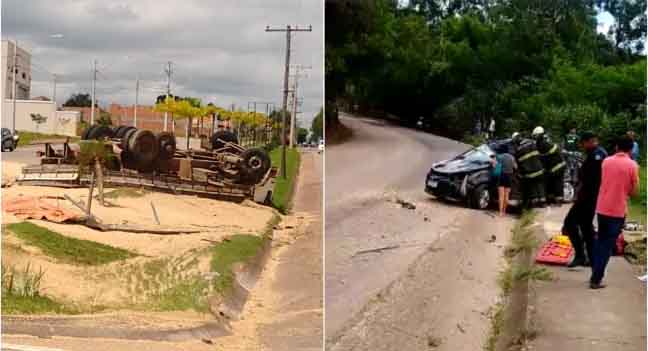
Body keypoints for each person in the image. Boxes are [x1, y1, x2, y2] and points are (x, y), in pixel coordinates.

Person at [589, 136, 639, 289]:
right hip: (617, 211)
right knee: (606, 245)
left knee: (600, 241)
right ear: (631, 149)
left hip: (602, 208)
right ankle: (596, 279)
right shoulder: (632, 165)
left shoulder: (606, 161)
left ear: (617, 147)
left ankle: (595, 272)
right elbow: (634, 192)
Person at [561, 131, 607, 268]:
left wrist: (580, 194)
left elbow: (592, 180)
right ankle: (589, 258)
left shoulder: (597, 155)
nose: (582, 146)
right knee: (586, 227)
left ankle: (583, 256)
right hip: (588, 197)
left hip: (589, 198)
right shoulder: (595, 153)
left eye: (583, 143)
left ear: (589, 141)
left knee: (570, 223)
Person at [532, 126, 566, 204]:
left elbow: (547, 154)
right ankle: (553, 199)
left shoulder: (543, 143)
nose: (535, 137)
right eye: (534, 136)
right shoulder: (542, 143)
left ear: (539, 135)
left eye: (536, 135)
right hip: (553, 166)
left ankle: (559, 200)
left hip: (558, 166)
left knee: (557, 183)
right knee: (551, 182)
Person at [512, 132, 546, 208]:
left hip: (529, 173)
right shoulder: (532, 143)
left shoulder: (518, 150)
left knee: (532, 187)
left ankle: (534, 204)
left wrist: (520, 173)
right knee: (540, 186)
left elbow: (518, 165)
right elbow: (540, 154)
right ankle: (543, 203)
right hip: (539, 169)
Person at [492, 149, 516, 216]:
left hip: (502, 176)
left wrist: (493, 161)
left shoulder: (500, 156)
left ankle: (500, 212)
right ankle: (504, 211)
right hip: (509, 177)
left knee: (501, 196)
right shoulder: (512, 157)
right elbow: (515, 167)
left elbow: (494, 166)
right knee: (506, 196)